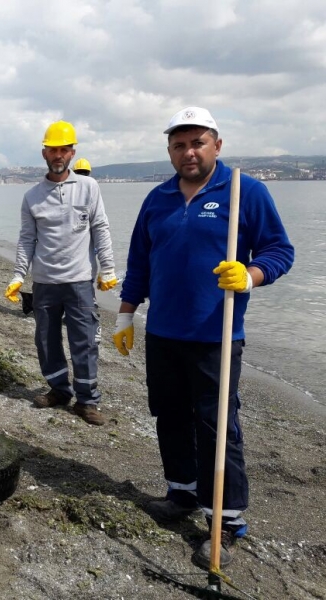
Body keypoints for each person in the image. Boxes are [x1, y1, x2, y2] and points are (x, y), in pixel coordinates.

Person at [113, 106, 294, 568]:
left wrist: (250, 275)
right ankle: (182, 493)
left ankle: (227, 518)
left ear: (217, 144)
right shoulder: (157, 198)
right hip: (165, 332)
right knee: (169, 413)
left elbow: (280, 250)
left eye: (197, 142)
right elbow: (141, 263)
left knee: (217, 426)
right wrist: (126, 314)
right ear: (170, 151)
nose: (188, 152)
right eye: (179, 144)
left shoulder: (244, 192)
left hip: (217, 335)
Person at [4, 120, 118, 426]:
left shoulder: (89, 188)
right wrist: (18, 275)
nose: (59, 155)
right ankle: (58, 389)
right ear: (44, 153)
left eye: (64, 150)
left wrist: (107, 267)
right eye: (53, 149)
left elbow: (101, 228)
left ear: (72, 153)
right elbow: (27, 239)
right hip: (44, 282)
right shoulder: (32, 196)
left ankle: (87, 401)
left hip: (80, 281)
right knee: (46, 340)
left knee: (84, 341)